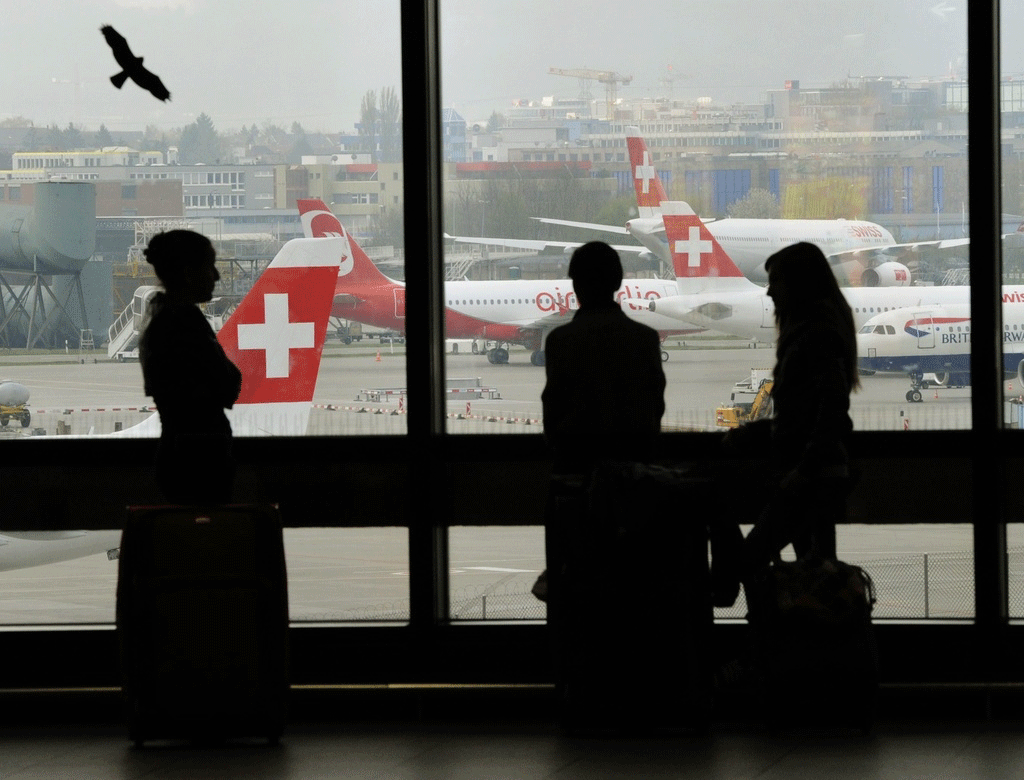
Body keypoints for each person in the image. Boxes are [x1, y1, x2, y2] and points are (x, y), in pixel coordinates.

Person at [726, 241, 859, 574]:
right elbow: (814, 410)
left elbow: (829, 410)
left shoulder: (815, 335)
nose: (769, 293)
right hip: (816, 473)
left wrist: (804, 470)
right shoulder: (819, 330)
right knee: (814, 574)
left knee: (753, 556)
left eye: (775, 282)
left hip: (809, 476)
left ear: (797, 285)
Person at [139, 230, 242, 504]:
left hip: (181, 455)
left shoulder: (162, 319)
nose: (216, 276)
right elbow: (228, 385)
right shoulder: (183, 324)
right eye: (209, 267)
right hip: (198, 462)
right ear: (187, 273)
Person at [541, 241, 665, 469]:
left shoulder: (560, 341)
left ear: (576, 286)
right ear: (618, 283)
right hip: (632, 469)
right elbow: (653, 410)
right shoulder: (644, 339)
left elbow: (553, 414)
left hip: (576, 467)